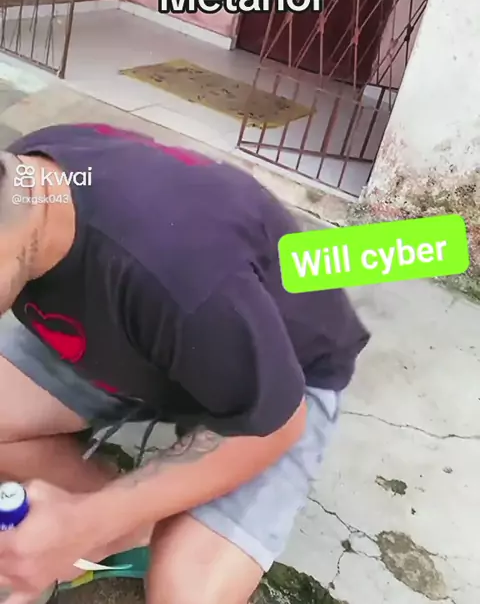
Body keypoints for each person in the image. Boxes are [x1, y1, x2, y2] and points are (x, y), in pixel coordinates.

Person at [0, 122, 369, 604]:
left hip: (280, 376)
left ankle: (108, 527)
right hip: (146, 336)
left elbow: (276, 426)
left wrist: (86, 524)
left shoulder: (183, 277)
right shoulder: (28, 174)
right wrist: (94, 522)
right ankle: (128, 531)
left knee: (184, 592)